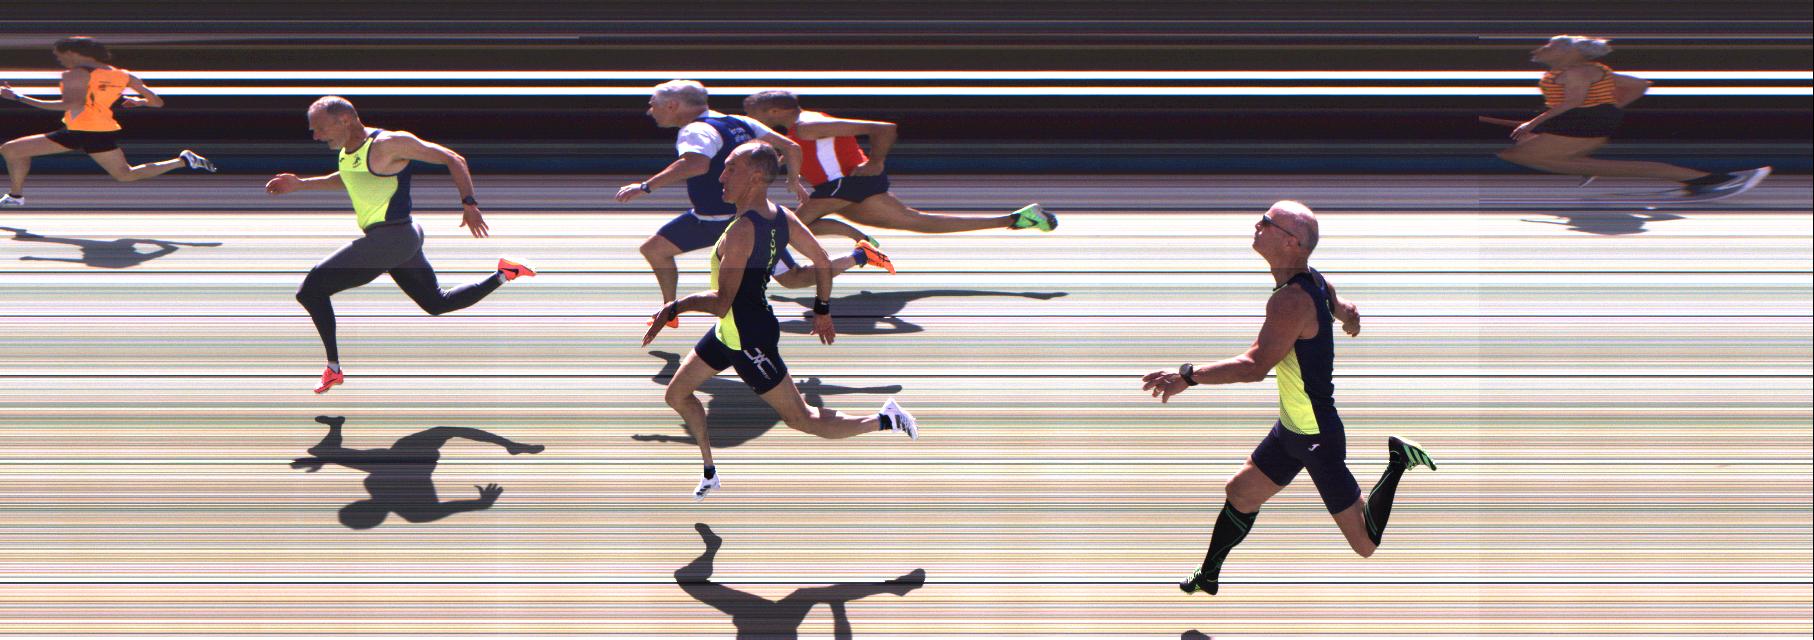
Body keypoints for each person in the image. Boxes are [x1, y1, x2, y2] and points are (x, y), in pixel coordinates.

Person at [1140, 201, 1437, 596]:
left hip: (1316, 436)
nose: (1257, 224)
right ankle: (1208, 575)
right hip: (1291, 430)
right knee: (1240, 492)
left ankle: (1398, 461)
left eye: (1267, 222)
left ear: (1292, 242)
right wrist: (1350, 320)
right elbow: (1343, 308)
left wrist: (1188, 377)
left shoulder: (1291, 300)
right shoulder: (1314, 281)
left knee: (1365, 543)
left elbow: (1254, 366)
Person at [642, 141, 915, 500]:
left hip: (749, 338)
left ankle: (886, 419)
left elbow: (722, 302)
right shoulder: (780, 215)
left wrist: (675, 306)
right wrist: (821, 308)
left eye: (731, 169)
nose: (721, 177)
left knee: (803, 420)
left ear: (756, 177)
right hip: (729, 332)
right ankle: (710, 472)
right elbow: (820, 260)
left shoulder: (741, 232)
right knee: (677, 394)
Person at [265, 96, 535, 393]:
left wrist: (469, 203)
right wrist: (301, 184)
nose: (316, 136)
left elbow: (453, 158)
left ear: (344, 120)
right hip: (400, 239)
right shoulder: (347, 151)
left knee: (311, 290)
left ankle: (333, 369)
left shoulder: (389, 144)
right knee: (437, 303)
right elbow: (349, 178)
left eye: (320, 129)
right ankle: (505, 273)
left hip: (391, 237)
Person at [615, 81, 891, 322]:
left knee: (794, 278)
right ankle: (669, 310)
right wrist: (792, 179)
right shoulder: (738, 121)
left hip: (745, 221)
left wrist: (645, 186)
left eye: (653, 105)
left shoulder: (695, 131)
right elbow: (791, 147)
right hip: (706, 218)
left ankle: (861, 255)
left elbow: (696, 164)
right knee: (654, 249)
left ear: (673, 105)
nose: (650, 111)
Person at [742, 90, 1056, 247]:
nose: (749, 117)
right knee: (917, 222)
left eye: (752, 112)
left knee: (784, 228)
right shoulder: (799, 128)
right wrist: (792, 172)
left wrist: (875, 161)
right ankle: (1018, 218)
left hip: (846, 184)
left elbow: (883, 128)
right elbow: (805, 153)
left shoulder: (809, 124)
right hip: (845, 186)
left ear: (775, 111)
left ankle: (849, 238)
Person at [1492, 35, 1770, 198]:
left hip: (1583, 121)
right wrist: (1609, 106)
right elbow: (1638, 85)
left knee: (1519, 155)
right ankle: (1584, 165)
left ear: (1570, 52)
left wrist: (1533, 122)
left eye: (1547, 46)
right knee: (1525, 148)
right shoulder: (1584, 70)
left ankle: (1707, 180)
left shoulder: (1577, 71)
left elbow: (1573, 102)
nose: (1538, 50)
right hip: (1585, 119)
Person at [1, 36, 215, 207]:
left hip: (83, 130)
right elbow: (156, 102)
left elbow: (71, 104)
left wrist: (19, 97)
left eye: (60, 56)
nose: (60, 60)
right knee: (125, 175)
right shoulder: (123, 75)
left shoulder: (75, 74)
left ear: (73, 53)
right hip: (94, 130)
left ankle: (16, 196)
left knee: (11, 150)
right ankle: (183, 161)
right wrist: (139, 102)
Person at [291, 416, 544, 529]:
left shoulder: (413, 513)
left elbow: (464, 506)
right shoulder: (415, 513)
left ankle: (336, 426)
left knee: (321, 451)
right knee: (446, 430)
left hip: (396, 459)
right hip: (410, 457)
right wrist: (482, 502)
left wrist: (482, 503)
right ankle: (510, 445)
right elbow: (460, 507)